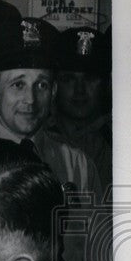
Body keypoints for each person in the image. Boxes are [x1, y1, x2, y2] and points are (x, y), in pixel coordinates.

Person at [0, 17, 102, 261]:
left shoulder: (78, 165)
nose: (30, 99)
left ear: (54, 91)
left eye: (41, 85)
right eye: (18, 84)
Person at [49, 26, 112, 188]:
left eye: (90, 78)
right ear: (55, 85)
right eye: (68, 79)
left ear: (105, 84)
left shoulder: (122, 139)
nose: (79, 90)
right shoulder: (38, 135)